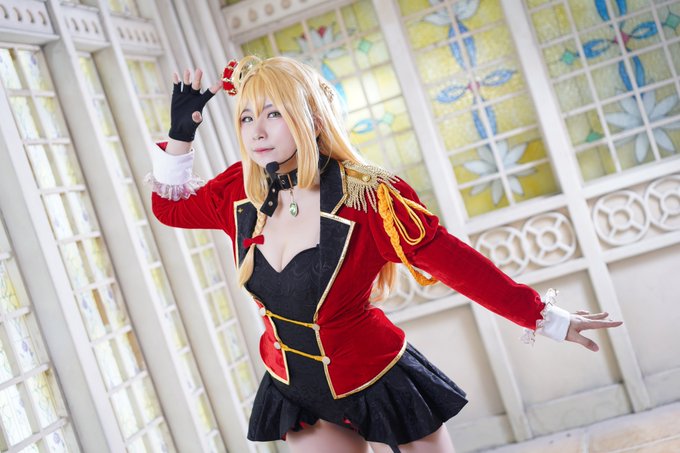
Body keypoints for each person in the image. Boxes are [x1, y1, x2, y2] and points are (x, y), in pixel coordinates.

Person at [147, 56, 622, 453]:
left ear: (311, 117)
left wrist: (546, 317)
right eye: (246, 117)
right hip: (296, 386)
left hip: (376, 376)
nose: (257, 130)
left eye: (273, 113)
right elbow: (170, 209)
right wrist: (181, 133)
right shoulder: (239, 191)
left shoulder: (371, 197)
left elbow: (459, 266)